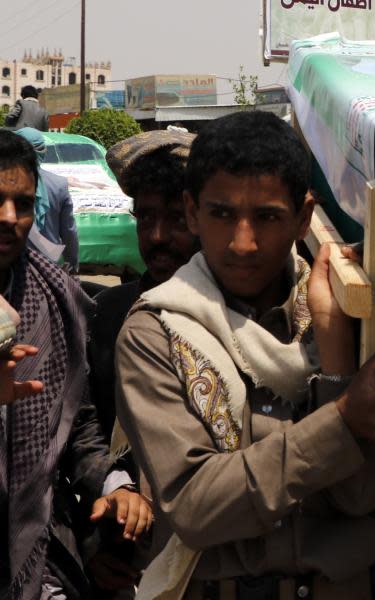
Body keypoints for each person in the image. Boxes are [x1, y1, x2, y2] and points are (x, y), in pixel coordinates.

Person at [114, 110, 375, 599]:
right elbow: (196, 507)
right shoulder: (158, 331)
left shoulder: (348, 314)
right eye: (222, 214)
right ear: (191, 212)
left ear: (304, 217)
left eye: (266, 217)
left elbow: (361, 497)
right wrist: (342, 421)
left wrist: (334, 351)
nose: (243, 243)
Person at [0, 130, 150, 599]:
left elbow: (77, 421)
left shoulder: (54, 301)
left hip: (37, 545)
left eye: (22, 204)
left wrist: (115, 483)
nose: (9, 218)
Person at [81, 130, 200, 597]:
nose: (156, 237)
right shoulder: (109, 314)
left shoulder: (247, 321)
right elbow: (82, 428)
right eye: (145, 217)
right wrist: (97, 540)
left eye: (175, 219)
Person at [13, 127, 79, 272]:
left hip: (13, 267)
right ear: (44, 151)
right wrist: (72, 265)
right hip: (48, 267)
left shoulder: (7, 183)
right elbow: (69, 232)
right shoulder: (59, 184)